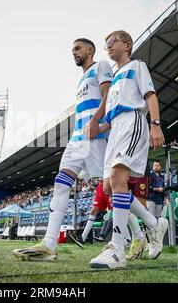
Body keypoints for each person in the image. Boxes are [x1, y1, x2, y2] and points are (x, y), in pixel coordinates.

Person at [12, 38, 113, 261]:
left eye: (77, 49)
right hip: (78, 137)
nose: (74, 53)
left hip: (96, 136)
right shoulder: (80, 81)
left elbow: (109, 97)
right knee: (61, 182)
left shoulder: (101, 66)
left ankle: (148, 228)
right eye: (72, 50)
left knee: (111, 190)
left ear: (90, 50)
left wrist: (96, 122)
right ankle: (49, 244)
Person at [89, 30, 168, 269]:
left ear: (127, 44)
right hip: (116, 130)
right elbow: (111, 118)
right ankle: (154, 224)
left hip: (132, 122)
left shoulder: (137, 65)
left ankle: (117, 249)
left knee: (117, 177)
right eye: (106, 45)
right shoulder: (113, 79)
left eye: (112, 42)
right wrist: (96, 128)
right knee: (109, 187)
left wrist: (155, 125)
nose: (109, 47)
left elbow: (150, 96)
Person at [69, 181, 111, 248]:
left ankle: (128, 239)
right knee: (93, 211)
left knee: (116, 211)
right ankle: (83, 238)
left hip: (109, 184)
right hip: (100, 187)